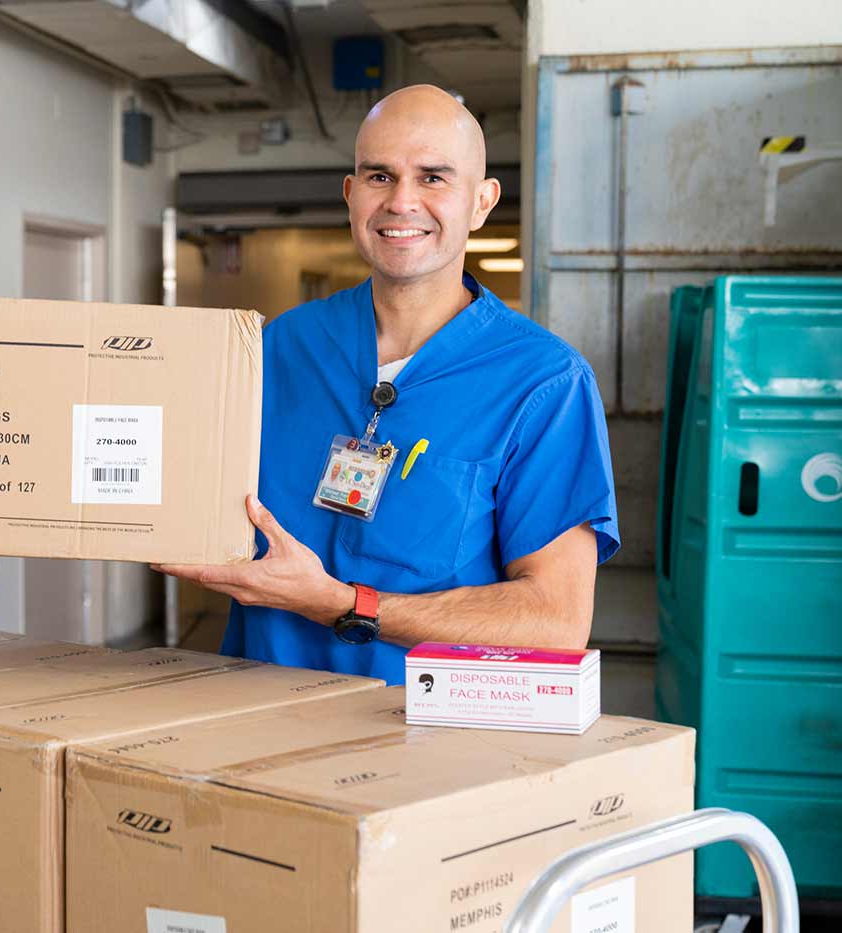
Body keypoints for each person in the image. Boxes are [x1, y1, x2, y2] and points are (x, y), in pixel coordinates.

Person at [155, 85, 618, 685]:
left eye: (433, 178)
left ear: (481, 203)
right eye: (379, 176)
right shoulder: (279, 348)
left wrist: (344, 605)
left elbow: (556, 619)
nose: (402, 202)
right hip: (256, 712)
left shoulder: (544, 383)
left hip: (433, 741)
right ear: (351, 195)